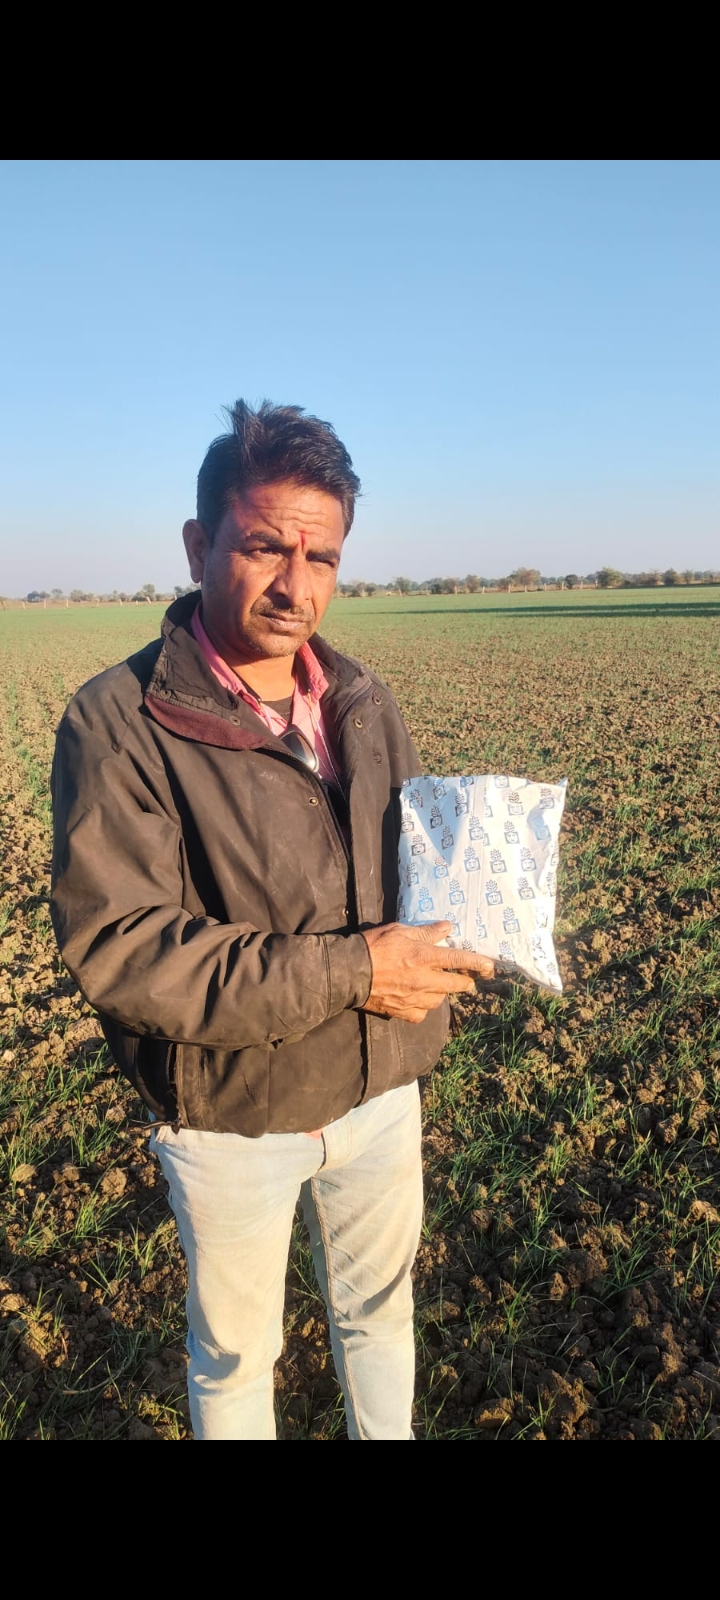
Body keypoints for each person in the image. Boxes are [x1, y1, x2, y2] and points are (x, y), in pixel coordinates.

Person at [51, 400, 493, 1440]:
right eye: (264, 547)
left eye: (322, 557)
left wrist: (475, 910)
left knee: (381, 1316)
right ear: (199, 544)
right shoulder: (117, 722)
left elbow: (406, 863)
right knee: (239, 1355)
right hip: (234, 1112)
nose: (297, 586)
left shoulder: (361, 699)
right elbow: (126, 949)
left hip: (381, 1087)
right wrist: (357, 972)